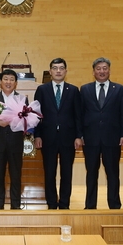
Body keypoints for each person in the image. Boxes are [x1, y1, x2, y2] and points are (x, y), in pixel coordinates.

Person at [80, 57, 123, 210]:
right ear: (93, 72)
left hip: (112, 138)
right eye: (99, 68)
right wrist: (80, 135)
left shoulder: (119, 89)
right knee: (91, 174)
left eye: (105, 68)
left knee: (113, 173)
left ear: (109, 70)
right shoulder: (85, 89)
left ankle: (114, 205)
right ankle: (90, 205)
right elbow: (80, 113)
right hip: (91, 139)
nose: (102, 71)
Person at [33, 58, 83, 209]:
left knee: (66, 173)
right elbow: (36, 115)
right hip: (48, 138)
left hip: (68, 138)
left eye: (61, 68)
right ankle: (52, 203)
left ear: (66, 71)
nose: (58, 71)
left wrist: (78, 136)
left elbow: (78, 115)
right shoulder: (42, 90)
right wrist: (37, 135)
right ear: (50, 72)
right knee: (49, 173)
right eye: (55, 68)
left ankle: (65, 204)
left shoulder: (73, 90)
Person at [0, 69, 26, 210]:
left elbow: (26, 120)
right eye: (5, 79)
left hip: (16, 143)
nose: (8, 82)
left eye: (11, 79)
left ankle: (15, 206)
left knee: (16, 177)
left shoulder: (22, 99)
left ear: (16, 83)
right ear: (0, 82)